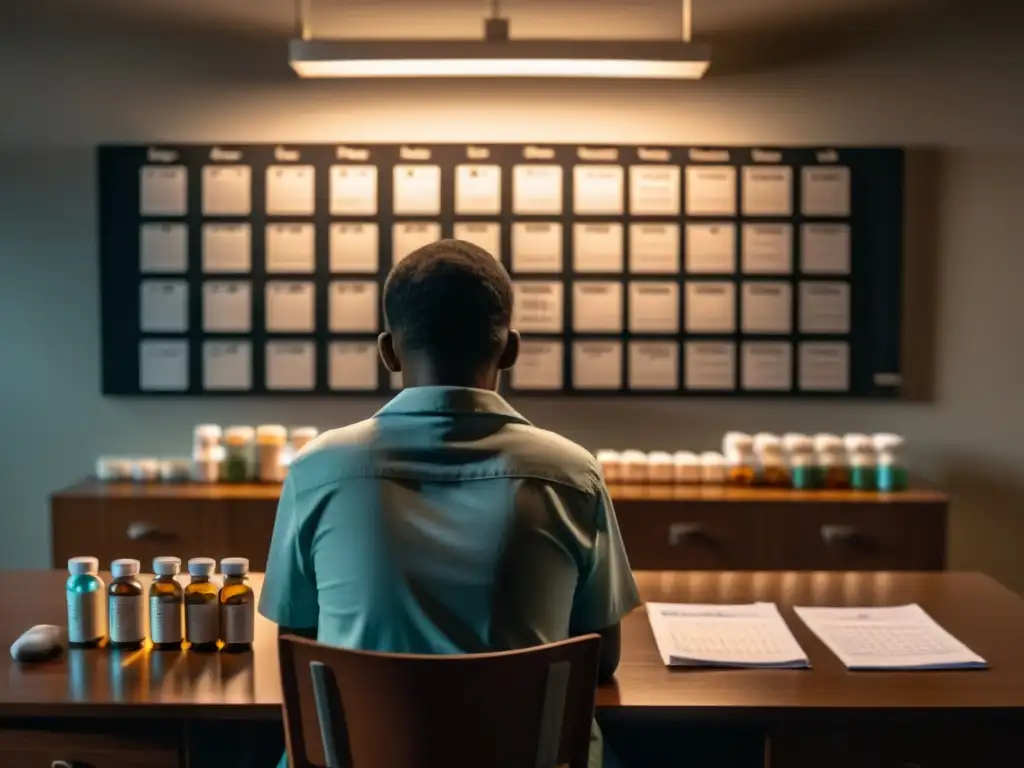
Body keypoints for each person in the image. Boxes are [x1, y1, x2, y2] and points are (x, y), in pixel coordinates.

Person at [259, 239, 641, 768]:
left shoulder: (317, 470)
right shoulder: (571, 474)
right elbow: (602, 659)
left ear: (388, 351)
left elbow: (299, 646)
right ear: (510, 349)